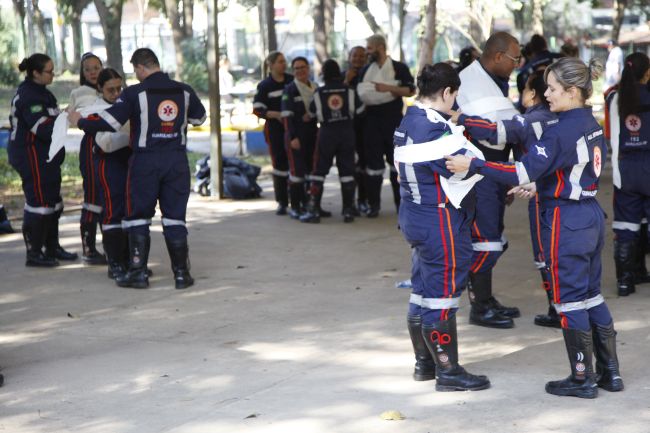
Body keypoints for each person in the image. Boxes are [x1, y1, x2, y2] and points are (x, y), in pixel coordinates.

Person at [446, 57, 624, 398]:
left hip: (565, 219)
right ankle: (609, 373)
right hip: (589, 213)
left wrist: (475, 165)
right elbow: (568, 169)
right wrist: (540, 185)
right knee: (591, 295)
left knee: (569, 301)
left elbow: (519, 171)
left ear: (572, 92)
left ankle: (582, 378)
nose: (547, 94)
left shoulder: (560, 131)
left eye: (553, 89)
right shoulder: (588, 122)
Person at [69, 48, 207, 289]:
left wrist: (79, 121)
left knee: (138, 217)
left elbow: (109, 123)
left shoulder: (134, 93)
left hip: (145, 162)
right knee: (175, 218)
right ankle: (182, 275)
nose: (136, 75)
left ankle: (138, 273)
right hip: (176, 161)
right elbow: (199, 118)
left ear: (141, 67)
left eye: (136, 70)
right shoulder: (184, 90)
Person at [395, 62, 489, 391]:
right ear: (447, 92)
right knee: (442, 295)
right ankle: (448, 371)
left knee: (422, 290)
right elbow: (464, 166)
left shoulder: (409, 120)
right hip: (438, 219)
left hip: (413, 214)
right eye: (455, 95)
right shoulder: (433, 129)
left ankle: (425, 363)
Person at [452, 71, 561, 328]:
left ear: (532, 94)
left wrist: (462, 118)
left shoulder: (529, 121)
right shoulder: (566, 119)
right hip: (566, 194)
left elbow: (495, 131)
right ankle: (488, 302)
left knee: (544, 253)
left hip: (541, 196)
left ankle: (556, 310)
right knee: (558, 251)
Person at [455, 32, 522, 328]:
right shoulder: (470, 82)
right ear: (497, 56)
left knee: (494, 235)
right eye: (515, 59)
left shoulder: (492, 80)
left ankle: (485, 297)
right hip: (477, 173)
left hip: (495, 169)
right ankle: (479, 306)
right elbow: (493, 130)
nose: (517, 64)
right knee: (485, 240)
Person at [8, 54, 78, 267]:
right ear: (35, 73)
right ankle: (34, 252)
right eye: (49, 71)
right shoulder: (29, 95)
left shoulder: (44, 93)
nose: (53, 75)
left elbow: (52, 118)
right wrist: (67, 119)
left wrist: (64, 116)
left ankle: (52, 247)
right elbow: (42, 128)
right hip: (30, 154)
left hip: (46, 155)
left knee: (53, 201)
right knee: (39, 201)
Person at [357, 34, 415, 217]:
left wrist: (388, 88)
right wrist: (390, 91)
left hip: (393, 122)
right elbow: (362, 93)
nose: (367, 52)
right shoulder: (365, 70)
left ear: (380, 47)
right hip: (371, 123)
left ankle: (401, 205)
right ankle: (373, 205)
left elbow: (410, 90)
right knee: (373, 167)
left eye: (370, 48)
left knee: (396, 164)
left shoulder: (399, 68)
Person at [606, 52, 650, 296]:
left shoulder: (614, 98)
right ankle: (639, 271)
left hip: (625, 170)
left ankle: (625, 282)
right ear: (648, 73)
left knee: (625, 226)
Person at [300, 59, 364, 224]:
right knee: (347, 171)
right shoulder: (350, 91)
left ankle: (313, 210)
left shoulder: (319, 93)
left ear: (324, 74)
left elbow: (311, 114)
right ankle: (348, 210)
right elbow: (360, 110)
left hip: (326, 134)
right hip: (347, 133)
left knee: (319, 171)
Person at [83, 68, 132, 280]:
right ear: (100, 88)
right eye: (111, 90)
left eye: (119, 88)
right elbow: (106, 143)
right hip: (108, 164)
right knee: (113, 213)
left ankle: (130, 261)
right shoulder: (95, 110)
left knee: (130, 211)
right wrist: (130, 134)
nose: (116, 93)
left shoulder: (125, 104)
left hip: (128, 164)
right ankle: (115, 263)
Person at [69, 52, 106, 265]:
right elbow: (74, 118)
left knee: (110, 195)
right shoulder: (79, 93)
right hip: (92, 145)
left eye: (96, 68)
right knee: (93, 195)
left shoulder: (111, 88)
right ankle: (89, 249)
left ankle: (113, 246)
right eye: (87, 69)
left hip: (112, 145)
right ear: (82, 73)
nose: (93, 72)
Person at [253, 52, 294, 215]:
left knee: (296, 164)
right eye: (280, 62)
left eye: (284, 61)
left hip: (293, 129)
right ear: (271, 65)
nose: (284, 64)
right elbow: (257, 109)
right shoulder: (265, 86)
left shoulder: (292, 81)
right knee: (280, 165)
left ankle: (298, 199)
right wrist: (276, 115)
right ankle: (282, 202)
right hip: (275, 131)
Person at [281, 56, 318, 219]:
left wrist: (312, 115)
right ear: (293, 71)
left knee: (311, 172)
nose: (300, 71)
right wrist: (293, 137)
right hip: (296, 136)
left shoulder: (315, 87)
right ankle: (295, 207)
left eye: (303, 67)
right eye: (296, 68)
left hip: (313, 135)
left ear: (308, 69)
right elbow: (286, 117)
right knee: (297, 174)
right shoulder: (289, 90)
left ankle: (310, 206)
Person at [343, 46, 369, 214]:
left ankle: (363, 200)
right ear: (349, 57)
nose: (358, 59)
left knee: (364, 165)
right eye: (355, 56)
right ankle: (349, 203)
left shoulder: (370, 74)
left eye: (361, 56)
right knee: (348, 166)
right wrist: (346, 81)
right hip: (346, 129)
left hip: (366, 127)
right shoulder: (342, 75)